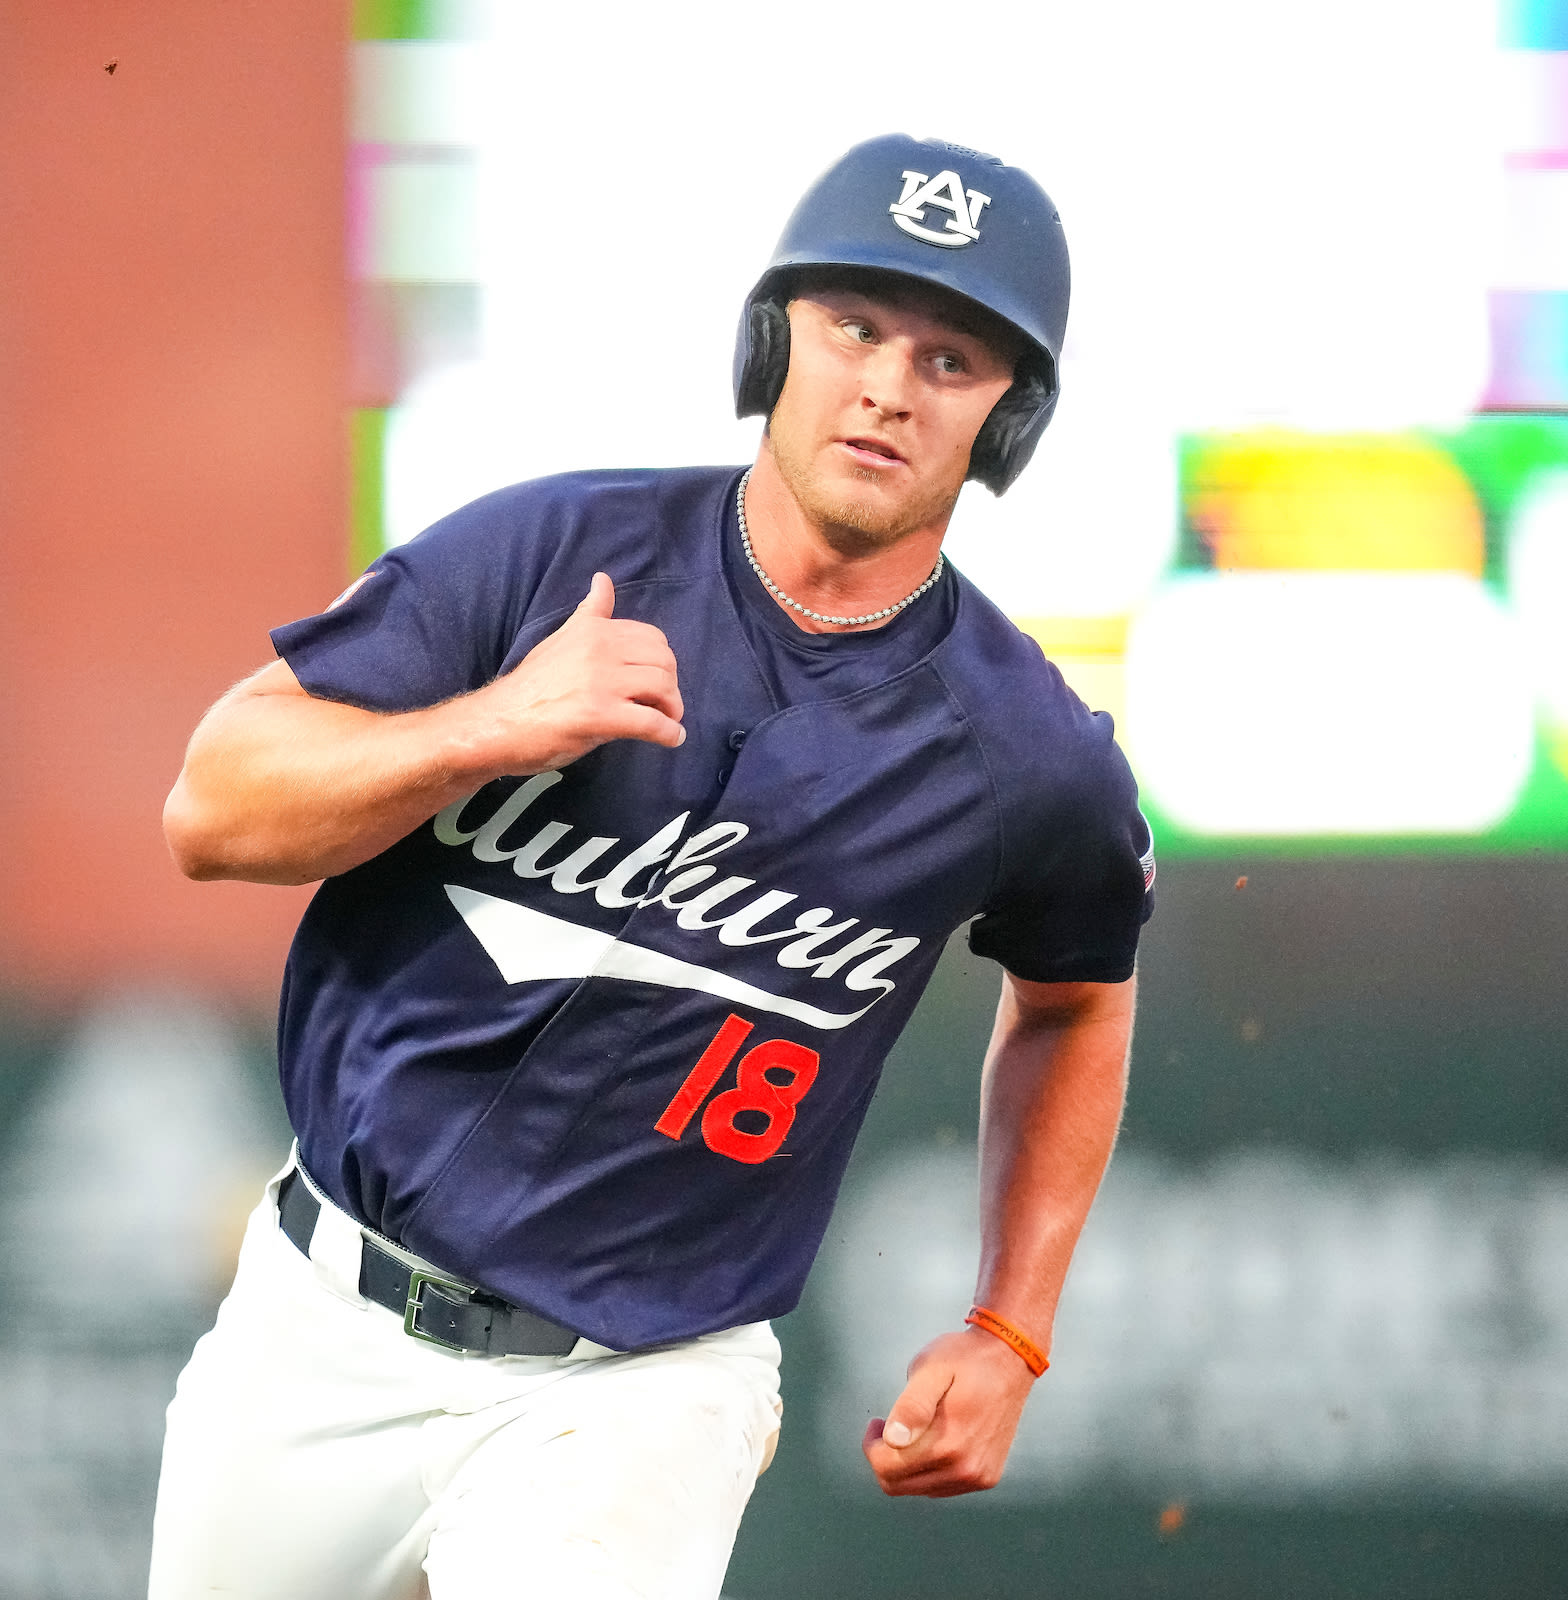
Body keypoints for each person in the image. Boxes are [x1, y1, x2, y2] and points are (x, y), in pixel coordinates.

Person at [148, 133, 1150, 1600]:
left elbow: (1077, 1001)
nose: (885, 384)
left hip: (640, 1383)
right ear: (773, 343)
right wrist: (487, 728)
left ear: (1007, 420)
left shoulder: (1027, 756)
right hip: (320, 1320)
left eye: (950, 359)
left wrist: (1010, 1328)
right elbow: (210, 811)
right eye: (855, 326)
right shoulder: (554, 552)